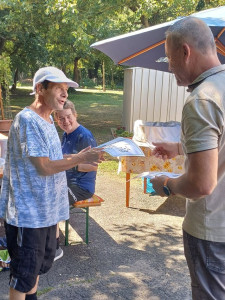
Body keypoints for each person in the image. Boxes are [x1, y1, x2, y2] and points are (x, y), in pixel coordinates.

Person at [0, 66, 103, 300]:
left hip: (45, 212)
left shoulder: (46, 120)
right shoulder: (28, 120)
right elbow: (44, 166)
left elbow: (53, 159)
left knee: (35, 270)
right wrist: (78, 159)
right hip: (29, 214)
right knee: (23, 277)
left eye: (66, 90)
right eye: (59, 88)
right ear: (39, 89)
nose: (65, 94)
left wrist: (85, 156)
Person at [150, 17, 225, 299]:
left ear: (185, 51)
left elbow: (201, 184)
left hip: (212, 231)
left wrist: (166, 184)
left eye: (169, 60)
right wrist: (180, 147)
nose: (170, 68)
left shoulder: (203, 100)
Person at [54, 100, 98, 260]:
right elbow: (64, 157)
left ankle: (54, 247)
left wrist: (70, 165)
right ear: (57, 120)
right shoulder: (65, 135)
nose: (65, 121)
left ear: (75, 114)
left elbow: (93, 165)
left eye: (68, 117)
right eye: (61, 119)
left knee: (51, 201)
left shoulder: (84, 135)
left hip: (81, 187)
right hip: (65, 182)